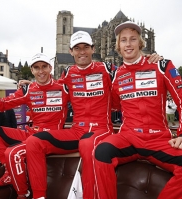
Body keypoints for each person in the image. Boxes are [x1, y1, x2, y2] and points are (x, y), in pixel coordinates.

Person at [23, 31, 161, 199]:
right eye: (77, 48)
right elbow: (54, 89)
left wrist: (151, 60)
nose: (82, 52)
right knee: (34, 141)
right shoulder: (67, 73)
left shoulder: (107, 68)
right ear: (71, 51)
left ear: (92, 49)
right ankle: (38, 196)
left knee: (88, 144)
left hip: (101, 129)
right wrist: (34, 85)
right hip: (76, 130)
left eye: (86, 47)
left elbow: (130, 71)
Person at [94, 21, 182, 199]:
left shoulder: (162, 65)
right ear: (117, 45)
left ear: (140, 43)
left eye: (133, 39)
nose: (128, 44)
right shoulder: (117, 75)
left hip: (158, 139)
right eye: (123, 40)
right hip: (129, 138)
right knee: (101, 152)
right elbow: (114, 106)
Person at [0, 53, 69, 199]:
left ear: (50, 68)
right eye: (36, 67)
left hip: (52, 137)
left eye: (44, 66)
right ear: (32, 70)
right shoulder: (28, 90)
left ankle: (22, 194)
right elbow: (1, 105)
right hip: (32, 135)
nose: (41, 71)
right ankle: (9, 171)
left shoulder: (64, 87)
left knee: (13, 153)